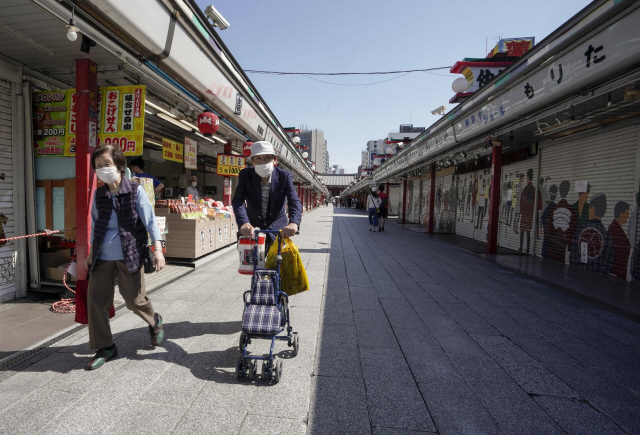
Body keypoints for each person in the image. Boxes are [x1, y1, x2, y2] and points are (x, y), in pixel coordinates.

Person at [84, 145, 166, 371]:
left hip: (130, 253)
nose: (102, 169)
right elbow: (94, 226)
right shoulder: (99, 195)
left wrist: (158, 250)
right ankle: (106, 347)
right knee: (96, 303)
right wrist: (91, 253)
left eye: (107, 164)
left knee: (134, 301)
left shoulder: (135, 190)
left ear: (120, 166)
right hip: (102, 255)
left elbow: (150, 222)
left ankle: (154, 320)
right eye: (98, 166)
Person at [232, 141, 301, 249]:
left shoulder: (284, 176)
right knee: (249, 264)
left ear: (275, 160)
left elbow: (294, 201)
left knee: (277, 264)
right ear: (252, 162)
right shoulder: (245, 175)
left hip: (278, 230)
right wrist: (244, 223)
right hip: (251, 229)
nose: (263, 162)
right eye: (258, 158)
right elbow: (238, 200)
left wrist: (293, 223)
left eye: (267, 157)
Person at [608, 201, 631, 280]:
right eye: (627, 213)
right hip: (616, 274)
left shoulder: (616, 228)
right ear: (621, 213)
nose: (628, 216)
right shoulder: (614, 230)